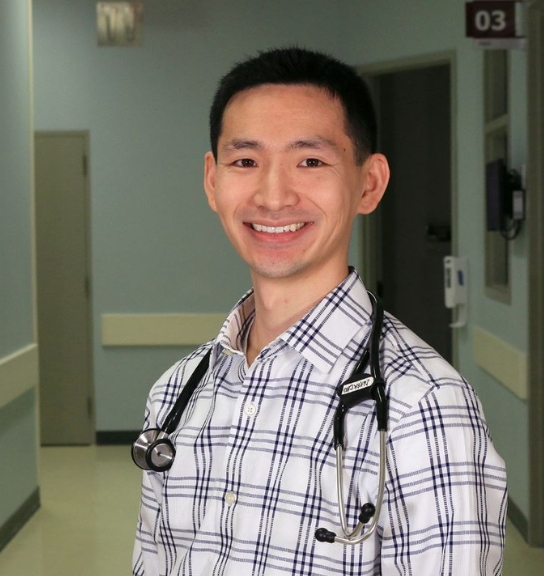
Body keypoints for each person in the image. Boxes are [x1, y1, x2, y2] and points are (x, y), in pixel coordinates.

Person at [132, 46, 507, 576]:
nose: (273, 195)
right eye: (246, 161)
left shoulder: (422, 407)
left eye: (310, 161)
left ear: (369, 184)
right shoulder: (177, 394)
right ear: (213, 182)